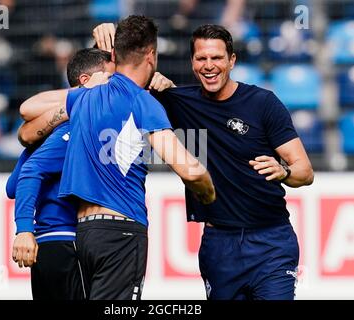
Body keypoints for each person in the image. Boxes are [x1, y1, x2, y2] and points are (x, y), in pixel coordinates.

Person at [92, 22, 314, 300]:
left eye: (217, 58)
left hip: (272, 242)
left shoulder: (263, 103)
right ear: (192, 62)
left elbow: (305, 172)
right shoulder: (174, 101)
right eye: (202, 58)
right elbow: (119, 77)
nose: (209, 65)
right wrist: (108, 32)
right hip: (219, 245)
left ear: (232, 60)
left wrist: (283, 171)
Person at [17, 15, 215, 300]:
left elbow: (28, 109)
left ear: (114, 55)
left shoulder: (86, 96)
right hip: (122, 230)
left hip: (84, 233)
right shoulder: (143, 102)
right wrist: (208, 194)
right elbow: (191, 170)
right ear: (151, 55)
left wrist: (86, 87)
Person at [5, 48, 115, 300]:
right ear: (86, 82)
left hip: (45, 247)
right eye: (109, 78)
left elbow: (12, 186)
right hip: (68, 241)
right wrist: (23, 228)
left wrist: (34, 141)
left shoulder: (52, 130)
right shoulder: (76, 128)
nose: (113, 87)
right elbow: (30, 173)